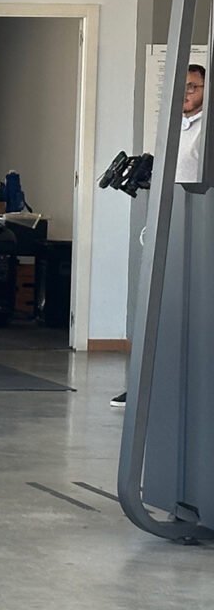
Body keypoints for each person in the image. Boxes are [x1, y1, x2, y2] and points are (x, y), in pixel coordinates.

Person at [111, 63, 205, 408]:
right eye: (180, 88)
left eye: (193, 87)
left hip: (197, 229)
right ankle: (145, 387)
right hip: (169, 224)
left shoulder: (206, 130)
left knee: (190, 314)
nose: (185, 94)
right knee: (157, 310)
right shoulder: (173, 128)